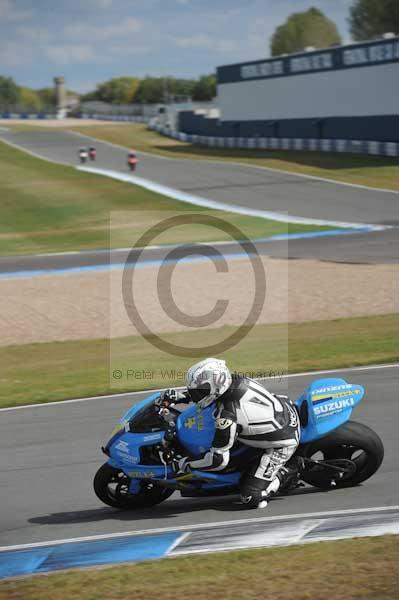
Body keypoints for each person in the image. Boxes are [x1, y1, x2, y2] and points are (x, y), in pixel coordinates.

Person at [163, 358, 300, 509]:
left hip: (284, 440)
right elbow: (208, 394)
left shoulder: (227, 415)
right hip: (282, 407)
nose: (197, 395)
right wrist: (183, 396)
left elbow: (218, 460)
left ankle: (291, 469)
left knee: (251, 497)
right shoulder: (232, 380)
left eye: (199, 391)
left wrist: (185, 464)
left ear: (216, 385)